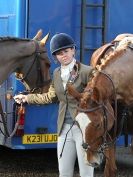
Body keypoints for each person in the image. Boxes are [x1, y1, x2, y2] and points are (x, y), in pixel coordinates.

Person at [14, 33, 94, 177]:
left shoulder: (87, 72)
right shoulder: (56, 74)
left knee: (86, 173)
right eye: (59, 53)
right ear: (55, 57)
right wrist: (26, 98)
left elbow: (98, 99)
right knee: (64, 173)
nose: (63, 55)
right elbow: (49, 97)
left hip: (85, 130)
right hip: (64, 129)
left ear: (73, 50)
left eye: (66, 51)